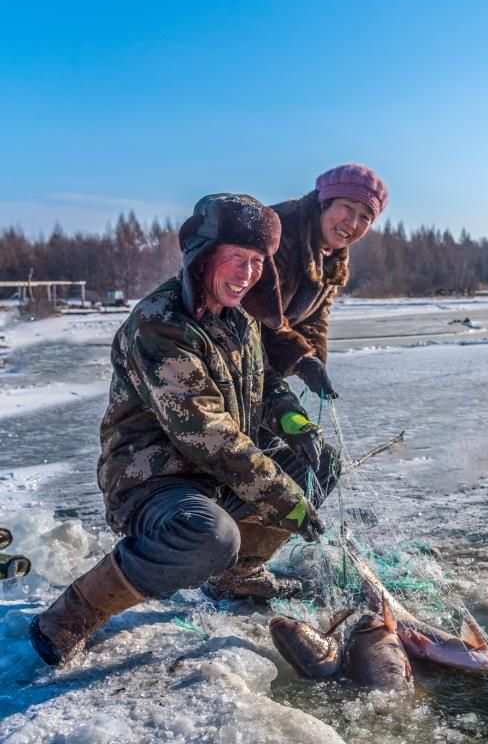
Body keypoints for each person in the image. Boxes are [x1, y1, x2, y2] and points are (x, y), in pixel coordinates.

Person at [29, 193, 339, 668]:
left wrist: (297, 426)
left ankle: (235, 575)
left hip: (214, 476)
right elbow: (207, 432)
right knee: (210, 536)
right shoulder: (161, 325)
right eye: (236, 258)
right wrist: (286, 499)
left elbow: (266, 384)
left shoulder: (239, 319)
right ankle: (73, 613)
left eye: (257, 261)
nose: (247, 273)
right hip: (153, 482)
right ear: (204, 256)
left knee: (319, 464)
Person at [244, 163, 388, 399]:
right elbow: (256, 315)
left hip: (262, 359)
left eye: (365, 217)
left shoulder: (333, 256)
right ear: (325, 202)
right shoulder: (277, 232)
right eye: (347, 208)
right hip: (222, 349)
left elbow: (315, 320)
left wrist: (313, 359)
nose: (352, 224)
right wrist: (299, 358)